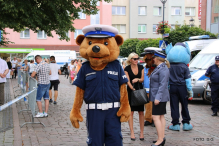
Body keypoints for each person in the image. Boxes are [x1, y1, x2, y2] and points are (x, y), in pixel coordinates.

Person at [150, 51, 170, 146]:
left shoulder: (163, 69)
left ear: (157, 59)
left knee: (156, 117)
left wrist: (158, 98)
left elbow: (163, 84)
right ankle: (161, 137)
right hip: (158, 96)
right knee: (161, 116)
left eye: (154, 57)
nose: (153, 59)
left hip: (159, 96)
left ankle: (160, 139)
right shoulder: (160, 67)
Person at [124, 52, 144, 141]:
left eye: (137, 58)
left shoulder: (141, 67)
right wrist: (132, 88)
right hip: (131, 91)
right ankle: (132, 132)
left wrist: (138, 79)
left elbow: (142, 79)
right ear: (130, 60)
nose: (136, 60)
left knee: (141, 112)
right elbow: (127, 80)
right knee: (131, 112)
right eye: (134, 59)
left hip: (139, 90)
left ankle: (141, 132)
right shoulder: (127, 68)